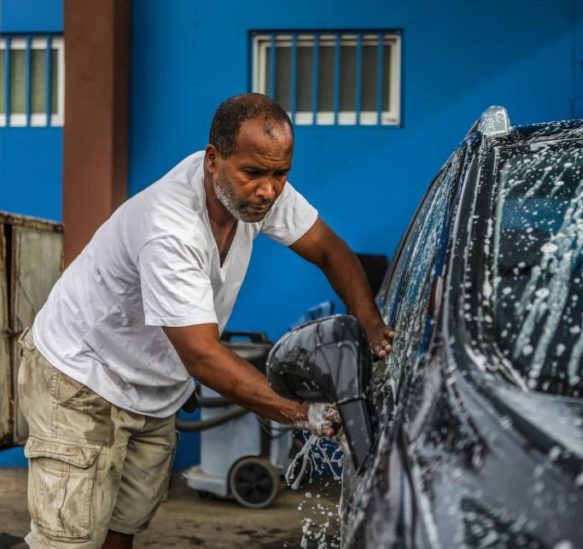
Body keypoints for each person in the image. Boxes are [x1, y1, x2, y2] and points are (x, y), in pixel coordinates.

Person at [17, 93, 395, 549]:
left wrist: (371, 323)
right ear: (213, 160)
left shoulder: (258, 191)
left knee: (122, 529)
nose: (269, 190)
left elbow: (331, 250)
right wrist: (302, 415)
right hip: (81, 378)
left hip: (152, 391)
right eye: (255, 173)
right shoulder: (170, 229)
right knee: (69, 542)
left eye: (281, 174)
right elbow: (201, 355)